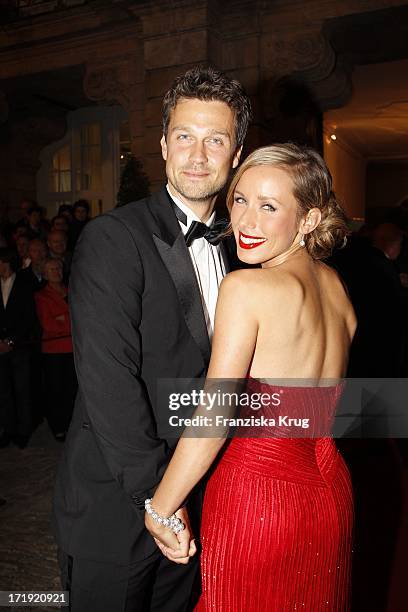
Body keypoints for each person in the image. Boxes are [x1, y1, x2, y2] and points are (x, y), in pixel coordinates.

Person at [53, 66, 251, 612]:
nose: (198, 155)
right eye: (184, 136)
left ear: (236, 154)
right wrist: (159, 500)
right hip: (117, 504)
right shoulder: (114, 237)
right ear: (163, 144)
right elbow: (107, 381)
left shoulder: (242, 252)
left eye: (216, 140)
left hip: (199, 496)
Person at [145, 144, 357, 611]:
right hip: (329, 494)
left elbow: (214, 415)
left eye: (269, 207)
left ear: (308, 220)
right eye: (240, 199)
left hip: (258, 496)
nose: (246, 222)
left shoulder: (245, 288)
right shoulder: (337, 290)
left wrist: (160, 506)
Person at [35, 258, 77, 441]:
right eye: (51, 269)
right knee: (56, 391)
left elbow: (82, 317)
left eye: (58, 268)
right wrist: (70, 320)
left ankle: (72, 425)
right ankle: (58, 426)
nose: (56, 271)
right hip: (54, 350)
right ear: (44, 274)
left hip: (73, 348)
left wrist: (63, 318)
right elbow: (49, 324)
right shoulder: (41, 296)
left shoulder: (72, 290)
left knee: (72, 389)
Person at [0, 247, 38, 449]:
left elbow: (29, 317)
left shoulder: (24, 283)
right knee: (3, 391)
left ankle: (24, 430)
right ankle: (9, 429)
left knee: (23, 390)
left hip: (20, 346)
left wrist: (11, 341)